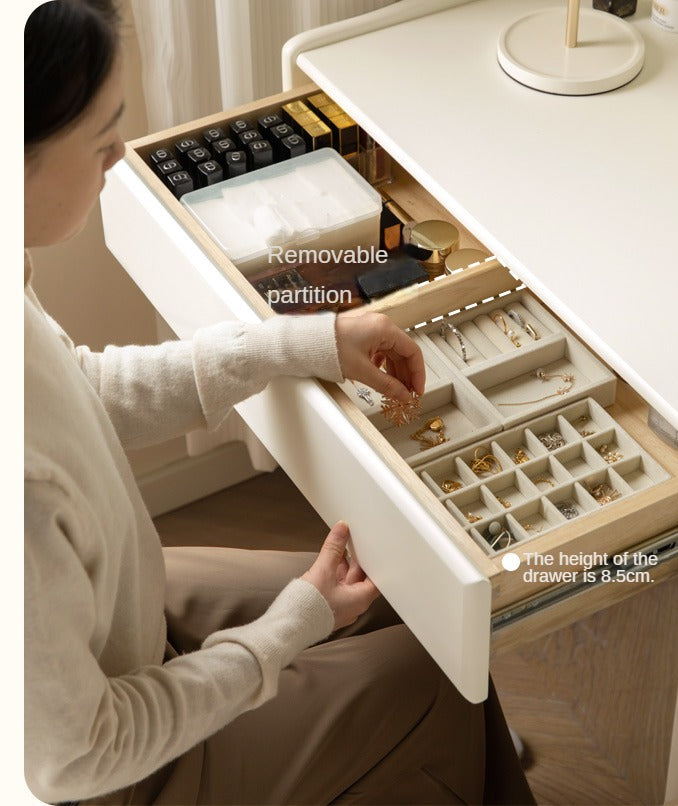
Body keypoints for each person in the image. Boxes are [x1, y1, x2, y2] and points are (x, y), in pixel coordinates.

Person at [24, 1, 535, 804]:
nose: (121, 153)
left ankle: (453, 755)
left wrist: (303, 342)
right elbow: (80, 758)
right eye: (102, 137)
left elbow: (79, 393)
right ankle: (445, 744)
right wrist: (293, 624)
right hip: (121, 770)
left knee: (412, 596)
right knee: (438, 678)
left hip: (117, 615)